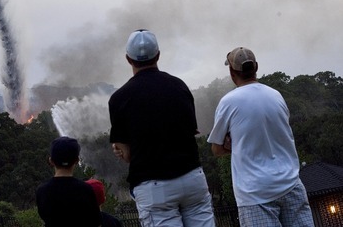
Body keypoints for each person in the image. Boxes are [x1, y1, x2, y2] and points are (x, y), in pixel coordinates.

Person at [109, 29, 215, 227]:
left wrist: (121, 150)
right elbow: (189, 131)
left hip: (154, 187)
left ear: (128, 59)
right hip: (192, 178)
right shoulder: (179, 87)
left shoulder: (119, 99)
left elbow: (128, 154)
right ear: (158, 55)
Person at [207, 47, 315, 227]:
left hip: (255, 194)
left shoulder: (228, 102)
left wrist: (236, 143)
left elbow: (216, 149)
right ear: (256, 67)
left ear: (232, 73)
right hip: (291, 185)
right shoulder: (276, 95)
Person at [36, 136, 102, 227]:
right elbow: (96, 221)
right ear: (77, 160)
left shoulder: (42, 191)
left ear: (51, 161)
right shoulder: (86, 189)